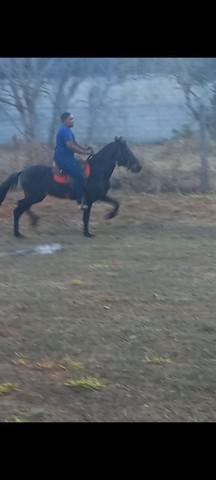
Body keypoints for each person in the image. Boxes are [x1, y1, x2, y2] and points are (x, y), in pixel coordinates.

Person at [54, 112, 93, 208]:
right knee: (80, 176)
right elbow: (70, 146)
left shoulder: (69, 131)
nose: (73, 121)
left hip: (68, 158)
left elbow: (75, 144)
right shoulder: (64, 131)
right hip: (63, 159)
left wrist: (85, 150)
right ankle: (79, 200)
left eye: (73, 119)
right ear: (64, 120)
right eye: (70, 119)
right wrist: (84, 153)